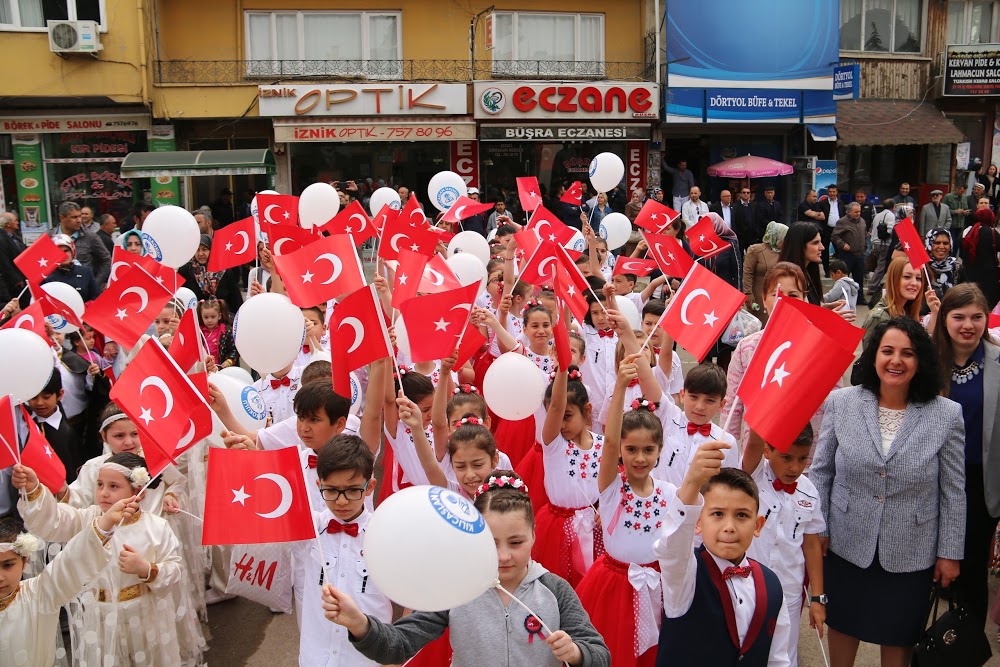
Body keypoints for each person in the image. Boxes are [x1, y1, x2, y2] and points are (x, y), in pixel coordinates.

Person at [321, 471, 612, 667]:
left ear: (534, 535)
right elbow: (397, 645)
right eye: (491, 541)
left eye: (516, 542)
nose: (503, 555)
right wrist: (360, 625)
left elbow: (600, 655)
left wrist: (576, 653)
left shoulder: (554, 589)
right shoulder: (456, 587)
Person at [811, 317, 965, 666]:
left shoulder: (947, 415)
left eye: (907, 353)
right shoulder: (842, 403)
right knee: (843, 626)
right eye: (888, 351)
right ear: (874, 356)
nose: (896, 361)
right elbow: (822, 471)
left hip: (911, 551)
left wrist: (950, 553)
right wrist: (818, 528)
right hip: (846, 544)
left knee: (899, 636)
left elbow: (953, 491)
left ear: (920, 361)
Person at [14, 452, 206, 666]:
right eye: (100, 484)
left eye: (114, 486)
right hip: (101, 617)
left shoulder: (156, 527)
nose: (103, 493)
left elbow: (175, 569)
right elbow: (54, 522)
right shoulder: (90, 519)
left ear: (138, 492)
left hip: (146, 614)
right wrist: (32, 490)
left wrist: (146, 568)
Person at [577, 354, 674, 667]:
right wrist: (619, 386)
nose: (640, 458)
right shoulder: (612, 488)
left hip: (656, 587)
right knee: (614, 652)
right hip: (614, 588)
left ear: (660, 450)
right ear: (621, 449)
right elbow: (607, 443)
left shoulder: (669, 493)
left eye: (648, 450)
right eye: (631, 449)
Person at [655, 454, 791, 666]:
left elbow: (778, 658)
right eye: (718, 514)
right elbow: (671, 548)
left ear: (758, 525)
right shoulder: (685, 576)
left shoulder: (772, 584)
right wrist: (691, 483)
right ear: (698, 522)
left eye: (742, 515)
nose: (729, 526)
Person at [930, 284, 1000, 632]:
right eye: (958, 317)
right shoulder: (926, 361)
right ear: (945, 319)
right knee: (929, 565)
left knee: (971, 567)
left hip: (980, 483)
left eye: (976, 317)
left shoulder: (998, 362)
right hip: (930, 480)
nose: (967, 325)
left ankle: (967, 646)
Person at [0, 499, 139, 667]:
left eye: (7, 565)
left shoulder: (40, 594)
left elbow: (71, 562)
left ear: (25, 561)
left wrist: (105, 523)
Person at [291, 435, 392, 665]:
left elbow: (412, 594)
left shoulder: (386, 535)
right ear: (319, 486)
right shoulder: (310, 528)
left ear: (370, 487)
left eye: (352, 490)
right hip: (315, 657)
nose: (342, 501)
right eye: (332, 491)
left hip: (365, 660)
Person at [723, 262, 838, 451]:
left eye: (793, 295)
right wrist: (726, 451)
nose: (784, 301)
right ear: (763, 298)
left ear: (804, 298)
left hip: (806, 456)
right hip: (757, 455)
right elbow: (732, 408)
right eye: (776, 295)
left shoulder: (822, 348)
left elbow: (833, 408)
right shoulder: (747, 347)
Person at [742, 425, 827, 667]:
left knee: (783, 655)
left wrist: (818, 598)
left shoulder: (810, 492)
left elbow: (811, 546)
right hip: (748, 584)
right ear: (768, 451)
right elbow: (754, 443)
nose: (794, 467)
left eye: (802, 459)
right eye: (786, 457)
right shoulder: (754, 476)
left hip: (788, 589)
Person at [534, 366, 604, 586]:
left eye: (568, 416)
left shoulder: (602, 445)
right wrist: (562, 367)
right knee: (558, 585)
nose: (561, 424)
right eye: (556, 416)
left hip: (594, 528)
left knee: (588, 585)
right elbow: (555, 406)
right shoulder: (553, 444)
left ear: (587, 410)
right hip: (557, 530)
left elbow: (612, 484)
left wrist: (604, 506)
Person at [862, 257, 930, 338]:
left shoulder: (908, 311)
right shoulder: (879, 318)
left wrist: (935, 312)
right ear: (894, 279)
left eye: (918, 278)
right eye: (907, 277)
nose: (914, 283)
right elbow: (871, 350)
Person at [46, 201, 111, 284]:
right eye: (74, 217)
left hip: (83, 289)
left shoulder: (90, 237)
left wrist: (95, 283)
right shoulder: (48, 237)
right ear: (62, 218)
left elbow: (106, 259)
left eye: (80, 216)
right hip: (57, 288)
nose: (79, 220)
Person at [177, 234, 244, 312]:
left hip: (222, 318)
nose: (200, 254)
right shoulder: (186, 270)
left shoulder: (225, 271)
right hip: (196, 319)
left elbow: (235, 299)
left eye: (204, 249)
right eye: (197, 250)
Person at [742, 221, 788, 323]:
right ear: (777, 237)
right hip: (758, 297)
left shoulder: (784, 254)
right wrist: (748, 294)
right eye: (784, 238)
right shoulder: (756, 250)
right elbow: (747, 273)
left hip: (778, 296)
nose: (786, 241)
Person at [42, 233, 100, 301]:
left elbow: (96, 297)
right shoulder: (46, 276)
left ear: (72, 251)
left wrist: (87, 306)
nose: (64, 255)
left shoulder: (85, 272)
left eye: (66, 251)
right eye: (59, 251)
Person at [961, 208, 1000, 309]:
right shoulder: (992, 233)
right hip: (989, 276)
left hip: (969, 273)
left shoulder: (967, 232)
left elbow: (961, 252)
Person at [778, 222, 825, 305]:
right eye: (815, 243)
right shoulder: (786, 278)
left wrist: (826, 309)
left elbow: (810, 306)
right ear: (800, 245)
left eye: (820, 242)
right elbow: (793, 313)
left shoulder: (808, 272)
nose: (822, 247)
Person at [831, 201, 867, 289]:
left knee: (859, 278)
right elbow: (835, 236)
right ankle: (841, 296)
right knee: (844, 279)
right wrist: (842, 244)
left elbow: (864, 234)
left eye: (859, 211)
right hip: (847, 255)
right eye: (856, 212)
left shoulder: (862, 221)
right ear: (849, 212)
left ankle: (860, 298)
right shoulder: (842, 222)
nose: (858, 214)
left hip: (860, 254)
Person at [924, 228, 964, 300]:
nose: (942, 247)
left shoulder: (957, 268)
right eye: (937, 243)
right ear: (929, 244)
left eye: (945, 243)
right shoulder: (922, 267)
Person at [198, 297, 238, 369]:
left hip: (222, 369)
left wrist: (229, 361)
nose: (209, 320)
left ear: (219, 316)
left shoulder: (226, 331)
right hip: (204, 368)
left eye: (213, 317)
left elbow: (234, 350)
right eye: (206, 317)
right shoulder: (198, 332)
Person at [0, 211, 27, 306]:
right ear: (8, 224)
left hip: (23, 275)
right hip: (13, 282)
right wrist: (15, 279)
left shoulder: (15, 237)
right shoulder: (2, 238)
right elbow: (4, 261)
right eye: (15, 220)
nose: (18, 222)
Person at [817, 185, 842, 276]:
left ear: (836, 192)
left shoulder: (841, 203)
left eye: (833, 191)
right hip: (826, 229)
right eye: (830, 191)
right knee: (825, 251)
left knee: (839, 251)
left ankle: (838, 270)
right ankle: (827, 271)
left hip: (838, 230)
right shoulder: (822, 203)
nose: (832, 193)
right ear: (828, 192)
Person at [943, 183, 970, 254]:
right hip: (951, 224)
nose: (962, 193)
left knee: (958, 243)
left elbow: (966, 208)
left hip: (960, 224)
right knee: (952, 242)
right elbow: (943, 210)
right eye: (961, 191)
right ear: (957, 189)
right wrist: (955, 211)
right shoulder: (948, 197)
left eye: (964, 192)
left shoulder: (964, 197)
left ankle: (954, 258)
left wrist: (966, 212)